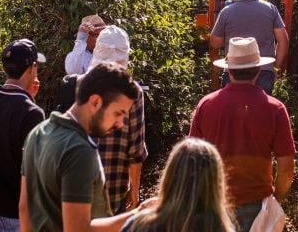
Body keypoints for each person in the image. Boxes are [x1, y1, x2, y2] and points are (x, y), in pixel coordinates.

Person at [19, 62, 142, 232]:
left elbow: (24, 209)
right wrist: (139, 215)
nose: (120, 124)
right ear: (96, 102)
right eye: (118, 113)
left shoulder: (39, 132)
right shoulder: (79, 151)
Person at [189, 37, 295, 232]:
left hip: (214, 203)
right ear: (258, 70)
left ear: (228, 70)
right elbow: (287, 168)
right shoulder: (275, 109)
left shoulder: (206, 105)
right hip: (257, 204)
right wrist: (275, 199)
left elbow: (191, 161)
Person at [0, 39, 46, 231]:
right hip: (16, 209)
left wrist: (28, 97)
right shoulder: (32, 112)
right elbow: (34, 169)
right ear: (32, 67)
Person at [120, 138, 235, 232]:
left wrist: (136, 213)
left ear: (170, 176)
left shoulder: (139, 226)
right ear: (216, 184)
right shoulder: (224, 228)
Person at [91, 26, 147, 214]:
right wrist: (135, 189)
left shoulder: (79, 85)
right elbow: (135, 149)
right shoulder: (133, 92)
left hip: (78, 188)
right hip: (114, 188)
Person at [209, 0, 289, 94]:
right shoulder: (270, 8)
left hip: (233, 71)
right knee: (261, 111)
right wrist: (276, 67)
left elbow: (215, 43)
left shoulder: (226, 12)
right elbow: (283, 40)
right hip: (264, 70)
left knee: (232, 111)